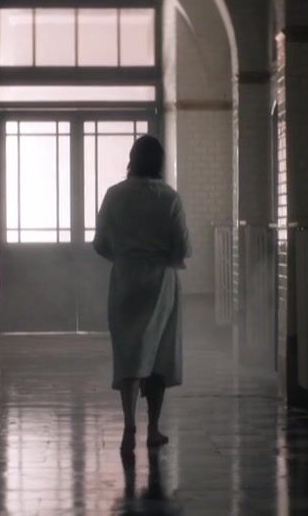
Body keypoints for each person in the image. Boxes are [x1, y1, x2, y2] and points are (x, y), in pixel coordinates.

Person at [93, 135, 191, 452]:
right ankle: (153, 428)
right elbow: (183, 248)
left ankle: (128, 425)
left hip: (125, 280)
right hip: (160, 282)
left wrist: (125, 257)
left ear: (131, 160)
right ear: (159, 163)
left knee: (129, 352)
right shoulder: (169, 198)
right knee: (159, 354)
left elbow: (100, 244)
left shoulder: (114, 195)